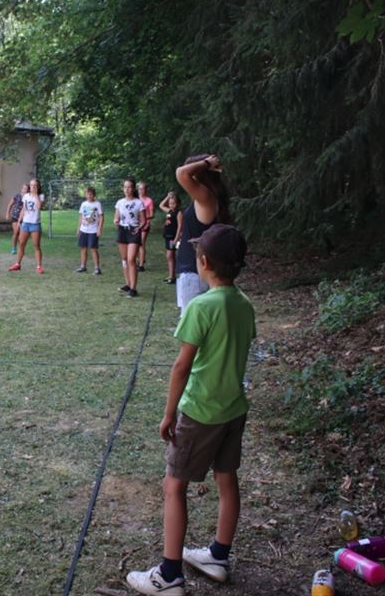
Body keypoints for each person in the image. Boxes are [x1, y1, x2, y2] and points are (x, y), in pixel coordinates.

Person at [126, 224, 253, 596]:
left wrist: (169, 414)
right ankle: (218, 556)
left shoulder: (201, 306)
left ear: (204, 262)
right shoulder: (244, 304)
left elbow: (182, 365)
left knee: (173, 485)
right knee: (227, 480)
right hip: (234, 410)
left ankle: (169, 576)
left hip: (200, 413)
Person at [175, 154, 231, 313]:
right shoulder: (207, 198)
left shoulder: (206, 197)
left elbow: (181, 173)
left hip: (195, 275)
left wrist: (206, 163)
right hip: (197, 273)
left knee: (191, 324)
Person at [114, 178, 149, 298]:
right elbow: (116, 217)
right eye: (125, 187)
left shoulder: (139, 203)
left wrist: (139, 228)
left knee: (131, 260)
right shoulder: (120, 202)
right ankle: (128, 284)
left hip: (133, 231)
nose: (127, 189)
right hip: (122, 231)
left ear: (133, 188)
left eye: (129, 187)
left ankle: (133, 288)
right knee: (124, 259)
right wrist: (116, 221)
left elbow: (143, 220)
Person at [8, 178, 44, 274]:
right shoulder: (26, 196)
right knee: (21, 244)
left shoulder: (40, 196)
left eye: (34, 185)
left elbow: (39, 206)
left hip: (35, 224)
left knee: (36, 245)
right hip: (25, 223)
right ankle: (17, 264)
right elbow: (24, 209)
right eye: (31, 185)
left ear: (38, 187)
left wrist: (35, 195)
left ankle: (39, 266)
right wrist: (20, 220)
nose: (32, 187)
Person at [75, 186, 103, 275]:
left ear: (94, 195)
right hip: (83, 229)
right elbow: (81, 216)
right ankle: (83, 266)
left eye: (91, 194)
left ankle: (97, 268)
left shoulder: (97, 204)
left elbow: (101, 217)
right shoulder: (83, 204)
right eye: (87, 194)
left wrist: (99, 229)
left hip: (93, 230)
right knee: (83, 248)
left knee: (93, 249)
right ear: (85, 195)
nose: (89, 196)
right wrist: (78, 229)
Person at [159, 191, 183, 284]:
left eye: (173, 203)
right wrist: (167, 197)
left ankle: (173, 276)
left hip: (174, 237)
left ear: (177, 203)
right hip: (168, 237)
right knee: (169, 257)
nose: (171, 205)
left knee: (171, 255)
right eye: (170, 203)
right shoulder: (169, 211)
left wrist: (176, 239)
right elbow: (161, 205)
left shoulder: (179, 213)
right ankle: (171, 275)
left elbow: (180, 226)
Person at [137, 181, 155, 271]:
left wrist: (144, 218)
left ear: (146, 190)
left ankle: (141, 265)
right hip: (135, 224)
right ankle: (140, 259)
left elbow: (152, 214)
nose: (141, 191)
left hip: (145, 224)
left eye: (143, 189)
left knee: (141, 243)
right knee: (135, 243)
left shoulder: (149, 201)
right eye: (139, 189)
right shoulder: (135, 199)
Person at [5, 183, 27, 255]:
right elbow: (10, 205)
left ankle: (21, 247)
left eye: (27, 189)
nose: (25, 190)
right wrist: (7, 213)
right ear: (22, 189)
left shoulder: (28, 197)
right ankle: (14, 248)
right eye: (24, 188)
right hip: (15, 216)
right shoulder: (17, 196)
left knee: (22, 233)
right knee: (16, 232)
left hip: (25, 218)